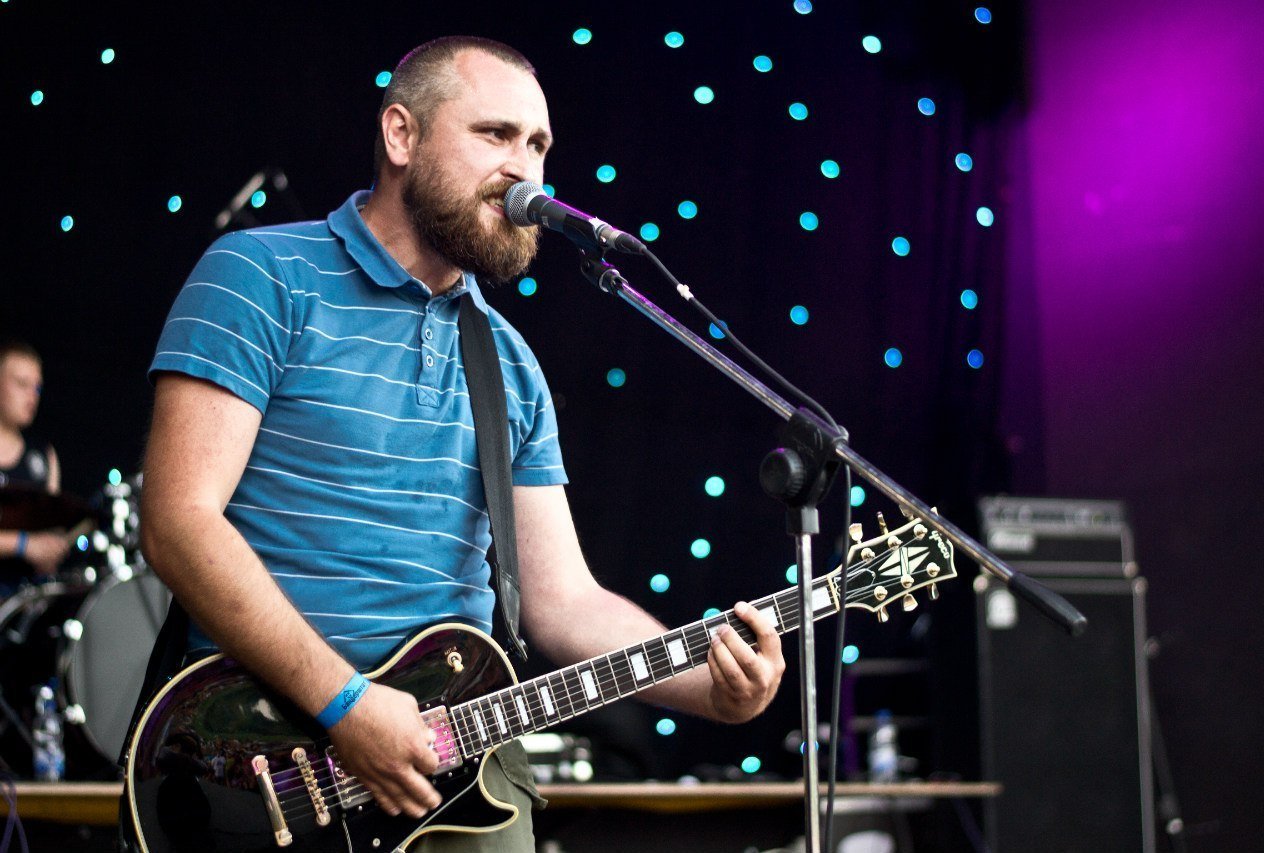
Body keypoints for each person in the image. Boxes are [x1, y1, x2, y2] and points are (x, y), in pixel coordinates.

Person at [139, 36, 784, 851]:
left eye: (539, 145)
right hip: (262, 765)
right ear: (401, 135)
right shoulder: (261, 275)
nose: (525, 171)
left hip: (459, 769)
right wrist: (345, 702)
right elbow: (178, 521)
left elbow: (563, 601)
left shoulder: (509, 364)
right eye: (496, 134)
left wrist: (711, 689)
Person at [0, 340, 70, 590]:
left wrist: (53, 547)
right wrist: (23, 545)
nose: (32, 396)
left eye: (37, 388)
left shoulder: (43, 456)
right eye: (21, 384)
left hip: (27, 598)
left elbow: (52, 525)